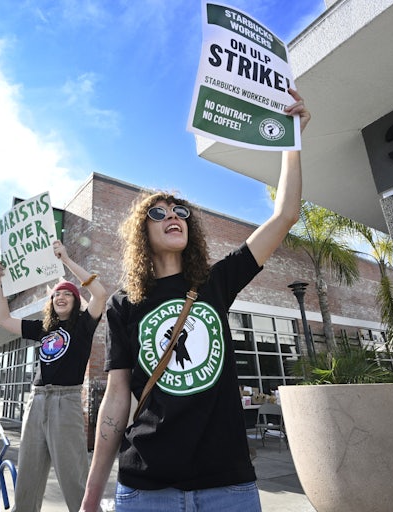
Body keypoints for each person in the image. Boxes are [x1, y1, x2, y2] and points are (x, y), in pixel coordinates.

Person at [80, 88, 310, 512]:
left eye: (180, 211)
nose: (172, 216)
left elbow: (285, 216)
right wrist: (92, 496)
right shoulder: (124, 304)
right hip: (146, 488)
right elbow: (116, 399)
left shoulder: (217, 283)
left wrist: (290, 142)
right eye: (159, 212)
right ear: (141, 234)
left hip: (229, 485)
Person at [0, 240, 108, 512]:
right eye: (57, 294)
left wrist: (66, 260)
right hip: (37, 401)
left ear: (75, 300)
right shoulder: (43, 328)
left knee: (74, 478)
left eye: (67, 294)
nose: (61, 297)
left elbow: (100, 294)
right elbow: (3, 320)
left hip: (65, 401)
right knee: (28, 477)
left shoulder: (83, 325)